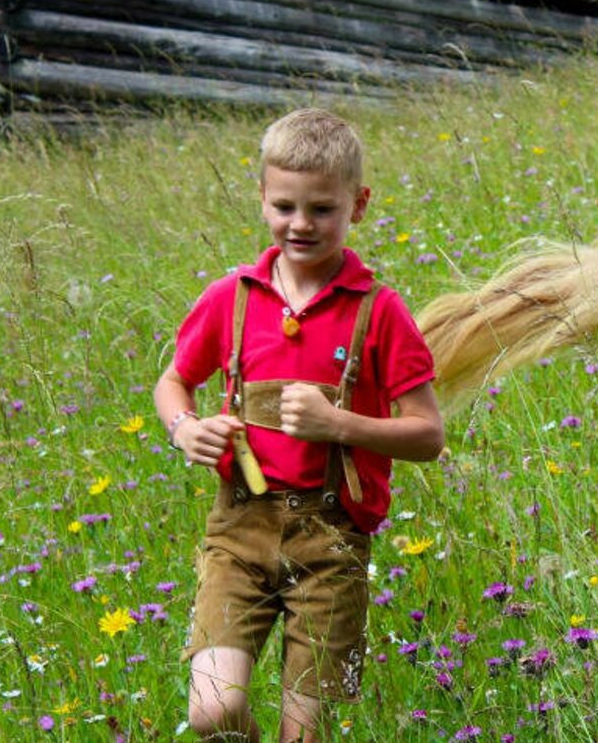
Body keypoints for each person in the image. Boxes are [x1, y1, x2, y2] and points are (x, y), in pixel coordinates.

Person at [153, 108, 444, 742]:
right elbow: (173, 380)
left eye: (322, 209)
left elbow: (428, 434)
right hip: (238, 532)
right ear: (261, 199)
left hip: (333, 540)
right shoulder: (231, 298)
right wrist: (183, 427)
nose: (301, 224)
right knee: (213, 710)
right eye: (285, 206)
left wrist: (340, 423)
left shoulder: (380, 311)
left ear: (358, 205)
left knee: (305, 734)